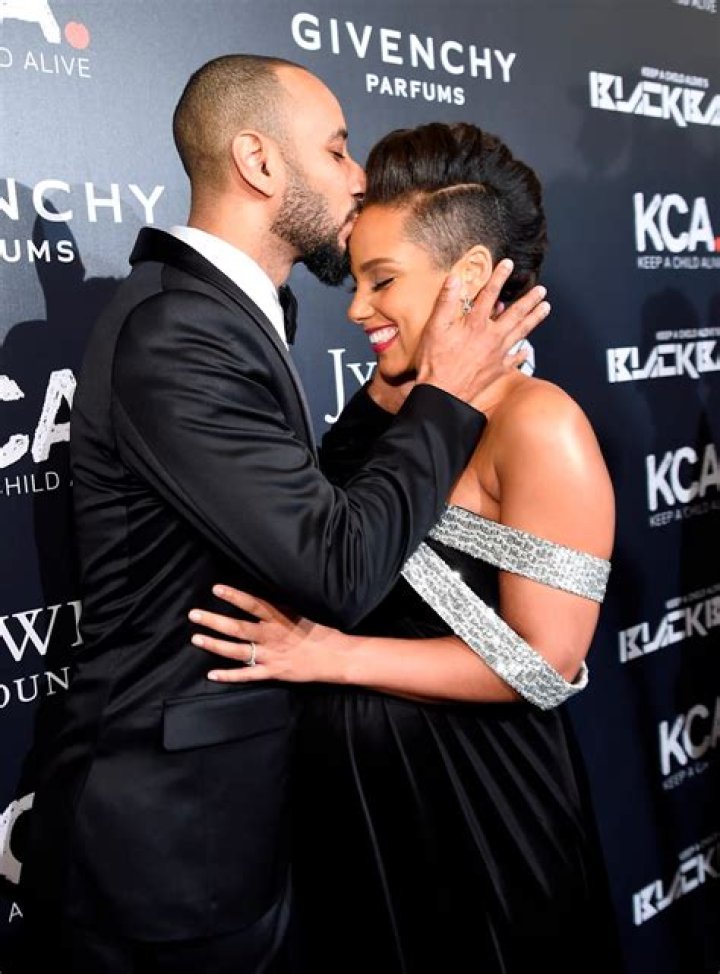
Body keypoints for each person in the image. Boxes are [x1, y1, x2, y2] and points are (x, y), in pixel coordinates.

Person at [15, 56, 550, 974]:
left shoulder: (222, 314)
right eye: (337, 150)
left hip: (223, 830)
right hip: (165, 851)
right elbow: (337, 567)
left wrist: (401, 395)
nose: (357, 175)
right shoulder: (179, 329)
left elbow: (299, 508)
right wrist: (446, 397)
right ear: (259, 162)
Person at [189, 122, 623, 973]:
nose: (356, 309)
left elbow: (546, 663)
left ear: (469, 276)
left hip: (477, 806)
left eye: (381, 280)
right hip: (354, 806)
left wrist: (331, 657)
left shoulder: (542, 426)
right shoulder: (390, 398)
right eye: (357, 280)